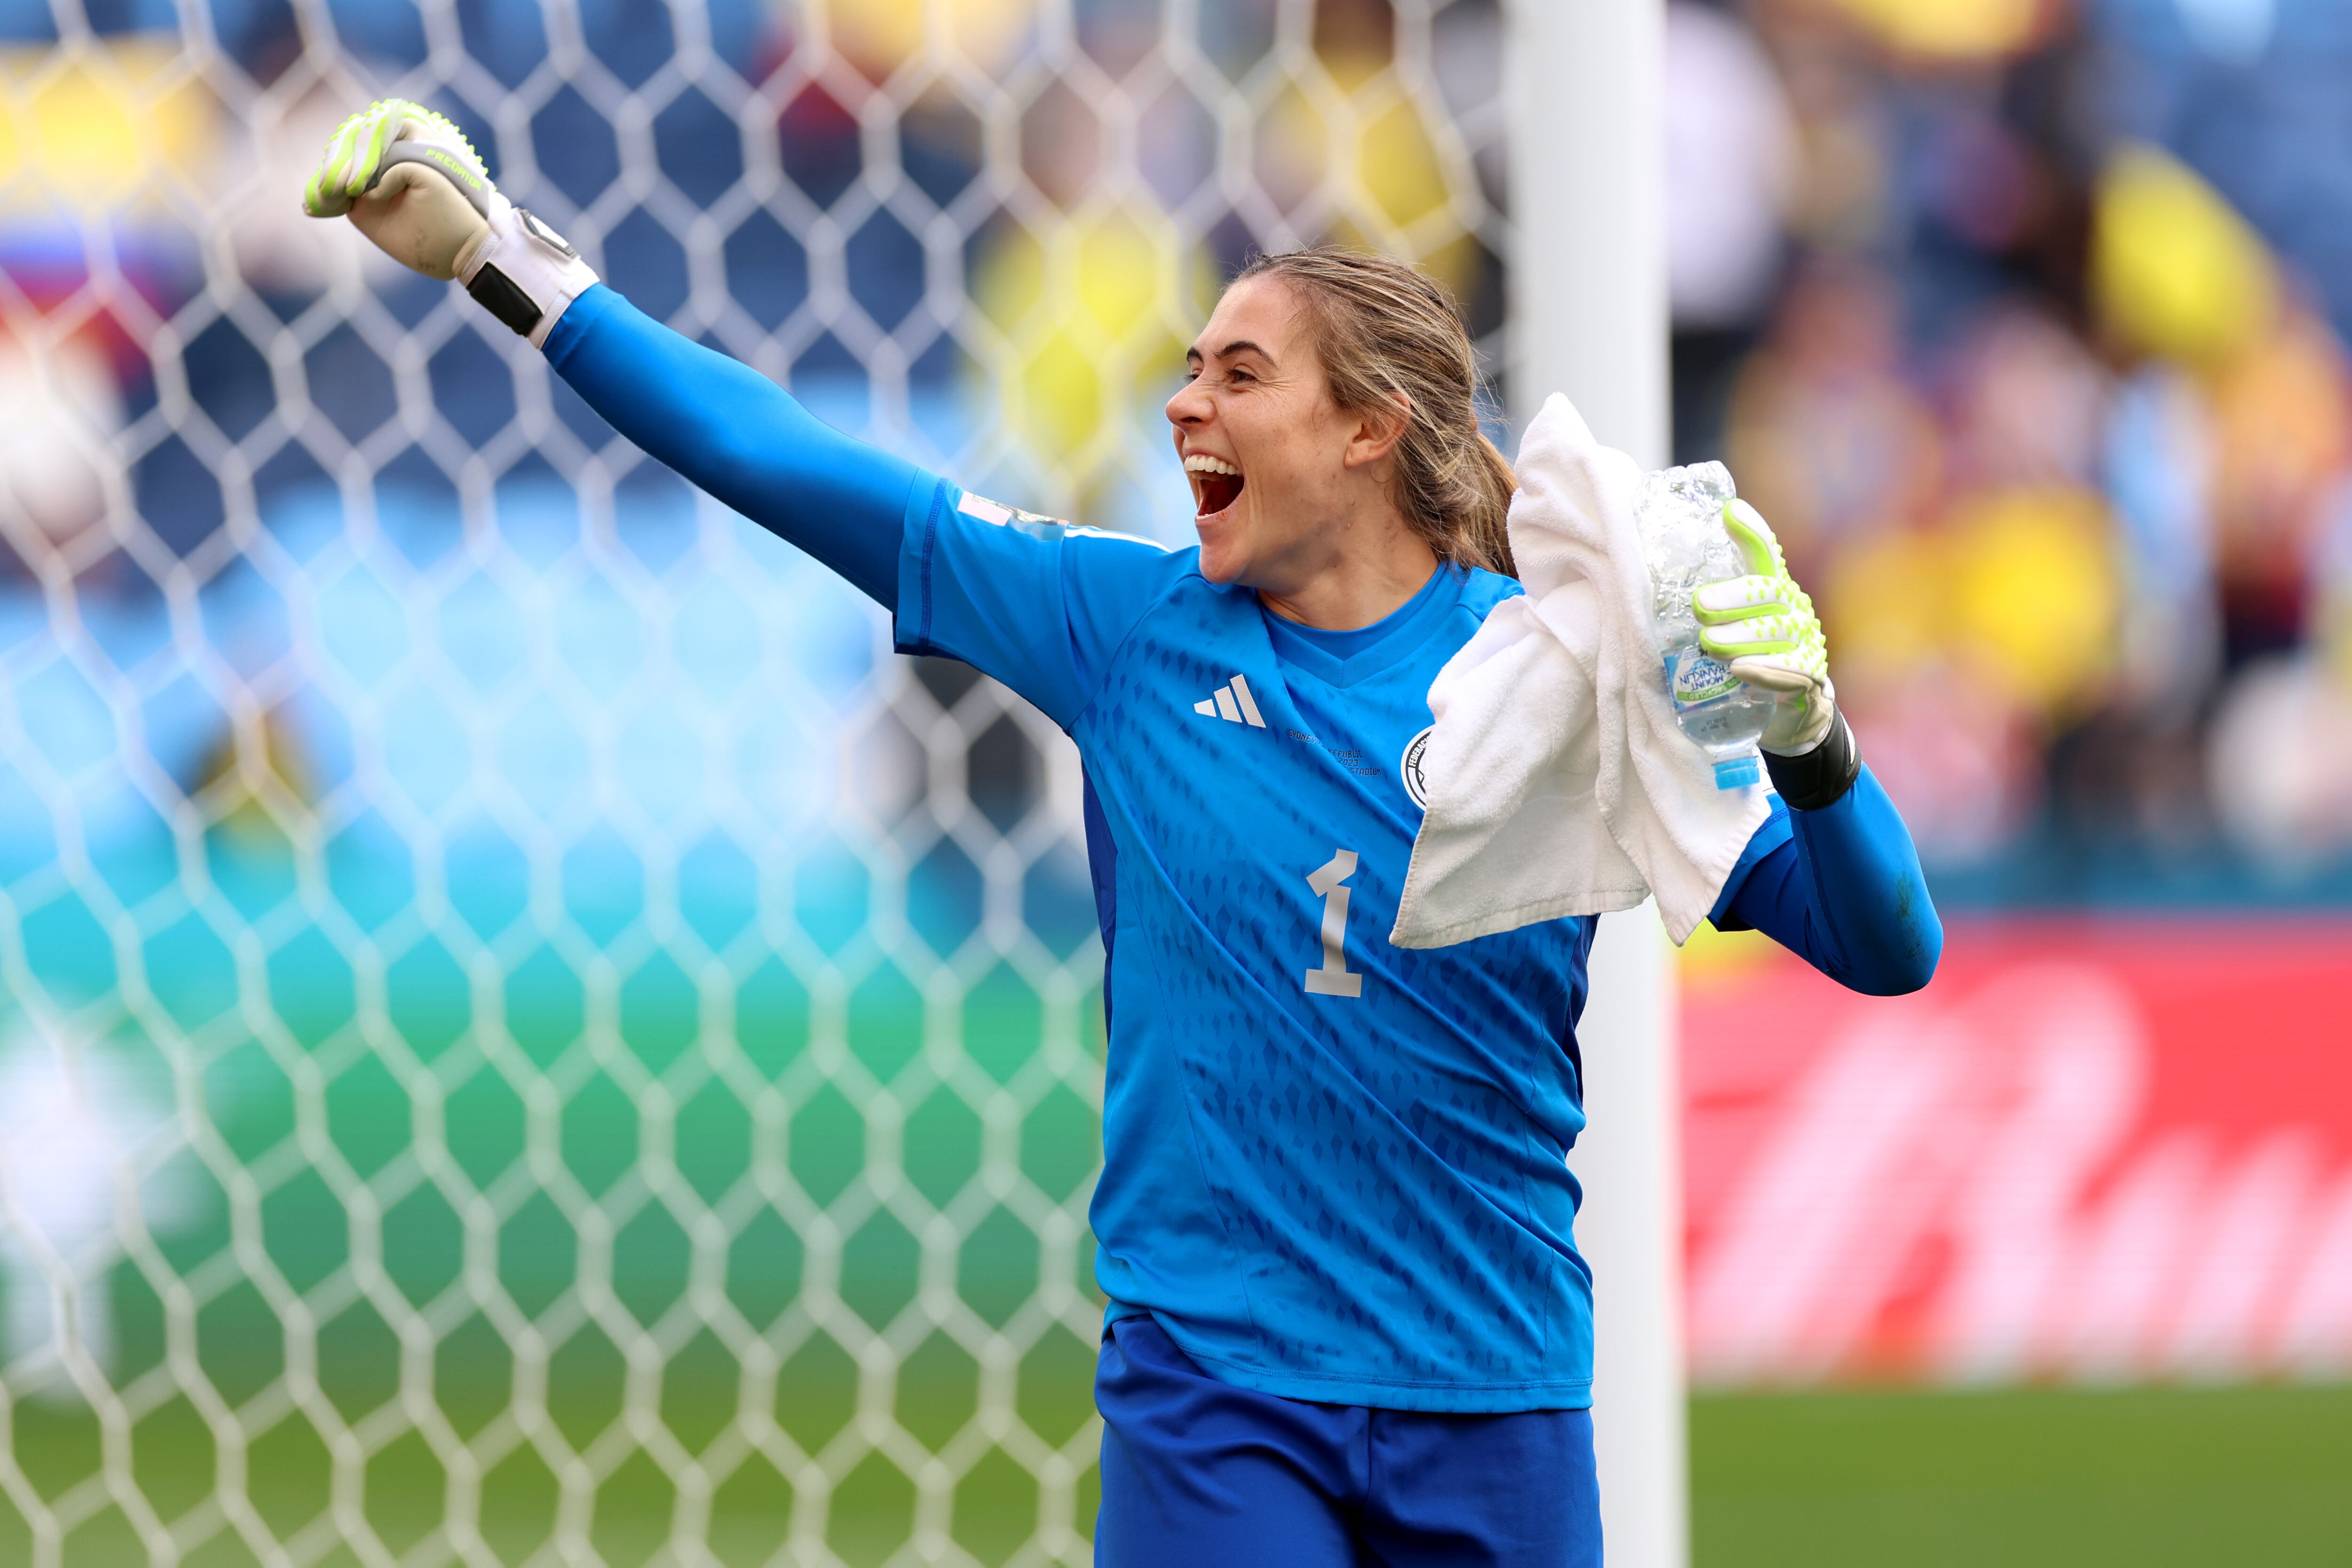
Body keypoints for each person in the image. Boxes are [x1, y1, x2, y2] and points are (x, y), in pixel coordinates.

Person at [305, 101, 1941, 1567]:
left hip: (1492, 1389)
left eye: (1239, 374)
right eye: (1184, 368)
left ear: (1369, 429)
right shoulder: (1125, 626)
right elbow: (781, 459)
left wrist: (1809, 742)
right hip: (1218, 1389)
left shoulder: (1553, 677)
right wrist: (506, 263)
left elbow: (1886, 947)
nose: (1182, 408)